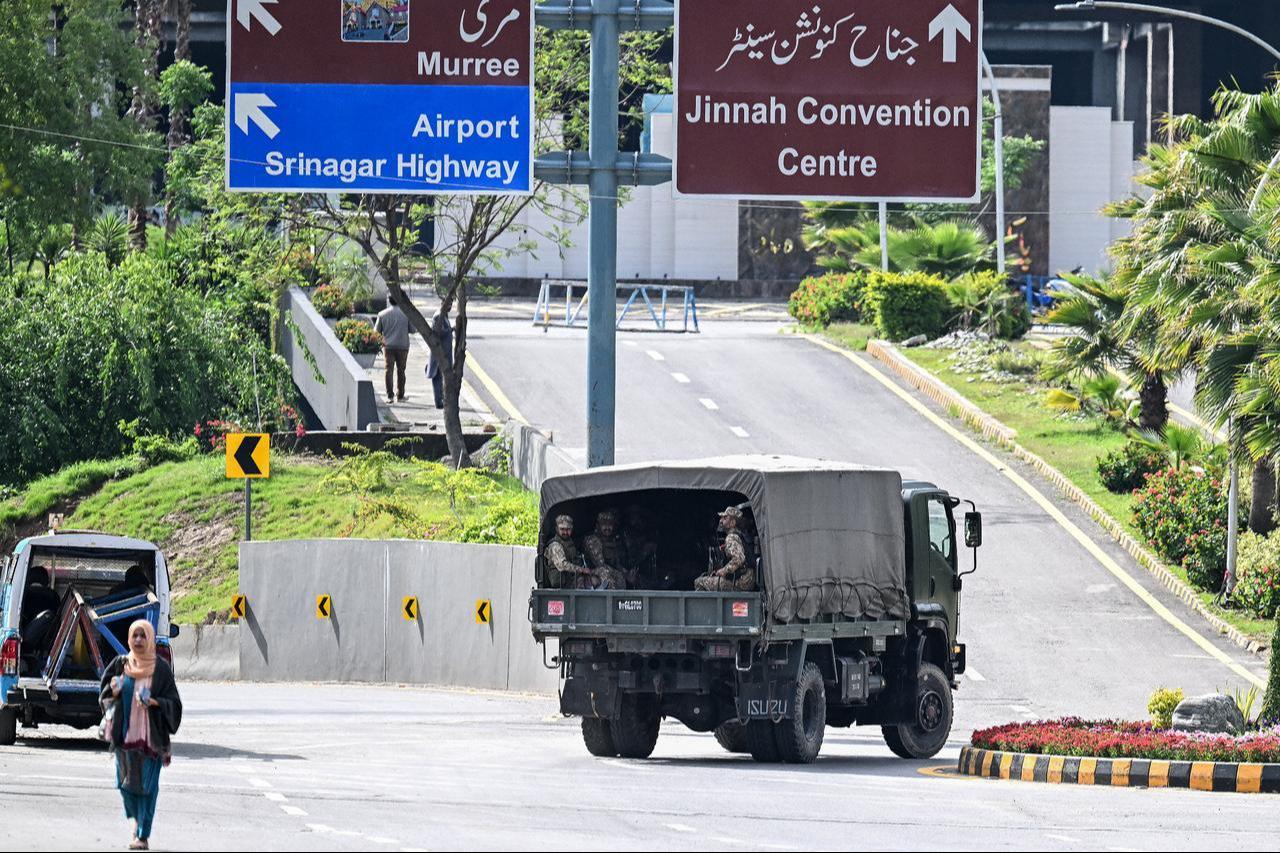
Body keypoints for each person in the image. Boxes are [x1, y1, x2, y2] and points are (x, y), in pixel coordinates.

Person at [99, 620, 182, 851]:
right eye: (134, 636)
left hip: (152, 740)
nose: (138, 640)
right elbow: (104, 694)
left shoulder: (161, 669)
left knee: (147, 787)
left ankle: (142, 834)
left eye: (142, 636)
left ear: (150, 639)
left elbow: (175, 704)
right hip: (123, 738)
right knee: (124, 786)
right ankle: (136, 820)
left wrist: (154, 702)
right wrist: (113, 690)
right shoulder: (121, 665)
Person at [694, 506, 756, 591]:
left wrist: (724, 570)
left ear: (732, 522)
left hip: (741, 582)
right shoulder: (739, 535)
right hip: (746, 579)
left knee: (699, 582)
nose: (720, 521)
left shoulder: (731, 537)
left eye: (725, 518)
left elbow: (739, 559)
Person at [373, 294, 411, 403]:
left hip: (388, 346)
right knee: (401, 370)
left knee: (388, 370)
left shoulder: (382, 314)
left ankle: (390, 395)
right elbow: (413, 329)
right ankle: (400, 395)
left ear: (389, 301)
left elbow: (376, 332)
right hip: (403, 346)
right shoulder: (406, 314)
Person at [582, 510, 628, 590]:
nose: (607, 527)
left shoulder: (613, 541)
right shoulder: (593, 540)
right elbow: (600, 564)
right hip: (592, 574)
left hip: (608, 572)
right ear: (598, 525)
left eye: (610, 524)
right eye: (604, 524)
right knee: (605, 572)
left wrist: (626, 573)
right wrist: (619, 574)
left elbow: (616, 564)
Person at [543, 514, 590, 589]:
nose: (565, 532)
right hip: (562, 585)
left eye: (568, 529)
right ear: (556, 529)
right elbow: (562, 565)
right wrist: (581, 570)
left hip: (572, 579)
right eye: (562, 529)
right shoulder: (555, 545)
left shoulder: (570, 543)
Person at [424, 310, 453, 409]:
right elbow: (438, 332)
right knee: (437, 378)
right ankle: (439, 401)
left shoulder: (444, 315)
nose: (450, 306)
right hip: (439, 354)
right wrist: (450, 330)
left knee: (440, 378)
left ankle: (441, 399)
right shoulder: (438, 316)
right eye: (448, 304)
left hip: (443, 353)